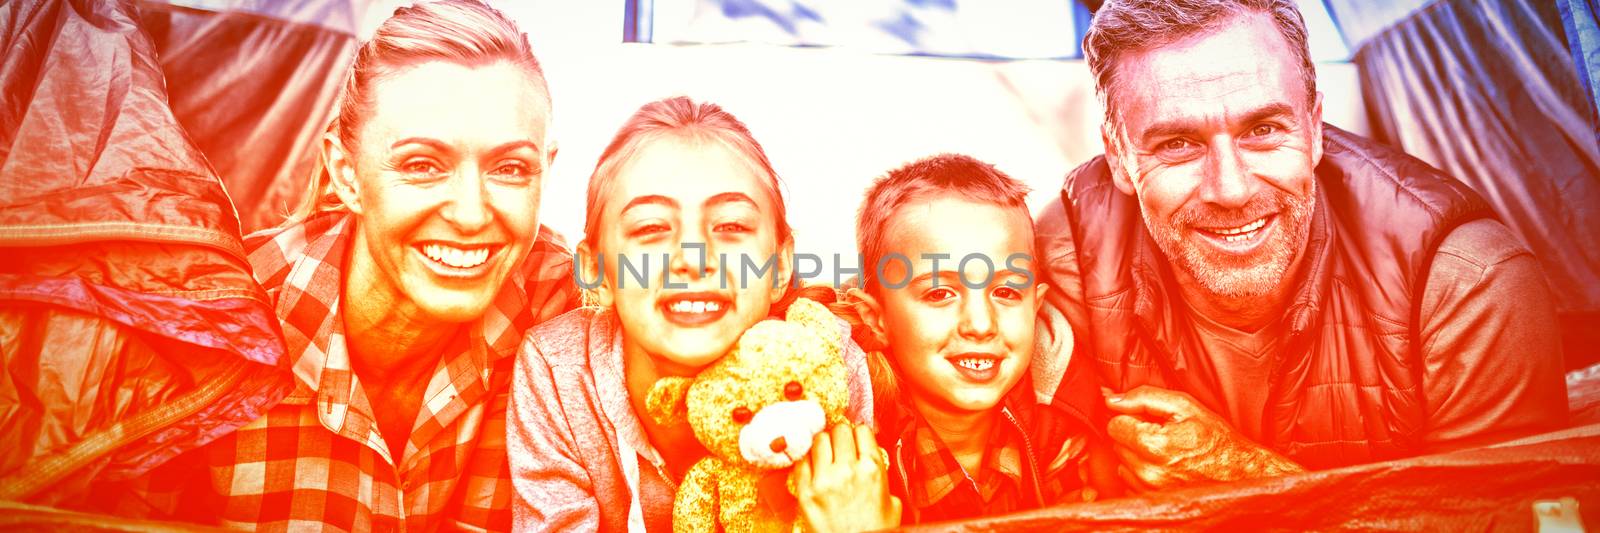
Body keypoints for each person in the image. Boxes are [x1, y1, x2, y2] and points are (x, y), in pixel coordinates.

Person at [1036, 0, 1569, 491]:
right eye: (1177, 144)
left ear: (1314, 129)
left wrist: (1250, 477)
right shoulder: (1065, 257)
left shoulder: (1466, 280)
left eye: (1263, 129)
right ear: (1118, 155)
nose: (1231, 188)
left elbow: (1504, 519)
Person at [102, 1, 580, 529]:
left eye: (510, 168)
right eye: (422, 165)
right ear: (346, 173)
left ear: (545, 171)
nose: (471, 214)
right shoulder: (213, 328)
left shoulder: (564, 297)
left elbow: (676, 270)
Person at [508, 96, 893, 532]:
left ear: (780, 266)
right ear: (596, 271)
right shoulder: (558, 371)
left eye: (730, 226)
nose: (694, 259)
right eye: (651, 228)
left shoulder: (826, 359)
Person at [837, 154, 1115, 524]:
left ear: (1036, 307)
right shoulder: (850, 446)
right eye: (939, 294)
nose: (981, 324)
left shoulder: (1071, 423)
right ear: (877, 318)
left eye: (1006, 293)